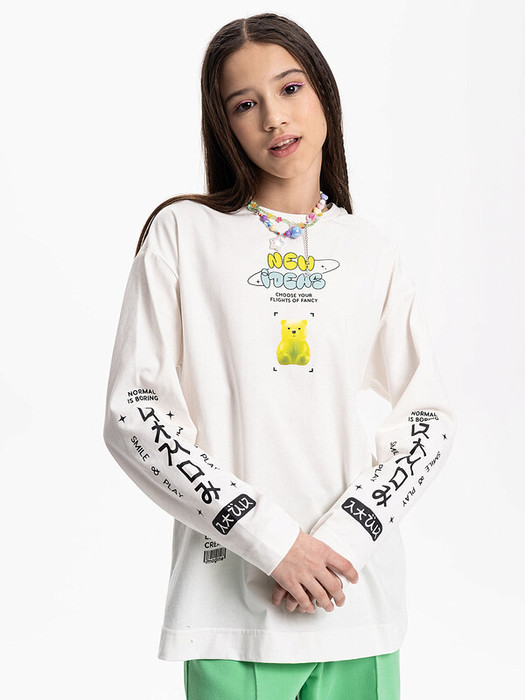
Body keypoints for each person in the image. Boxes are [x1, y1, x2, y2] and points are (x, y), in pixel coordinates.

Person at [103, 13, 456, 700]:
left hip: (354, 604)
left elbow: (429, 419)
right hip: (229, 611)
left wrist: (345, 539)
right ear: (224, 126)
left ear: (322, 93)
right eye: (244, 104)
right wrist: (271, 541)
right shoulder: (184, 234)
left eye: (290, 88)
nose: (273, 118)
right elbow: (135, 416)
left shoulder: (371, 250)